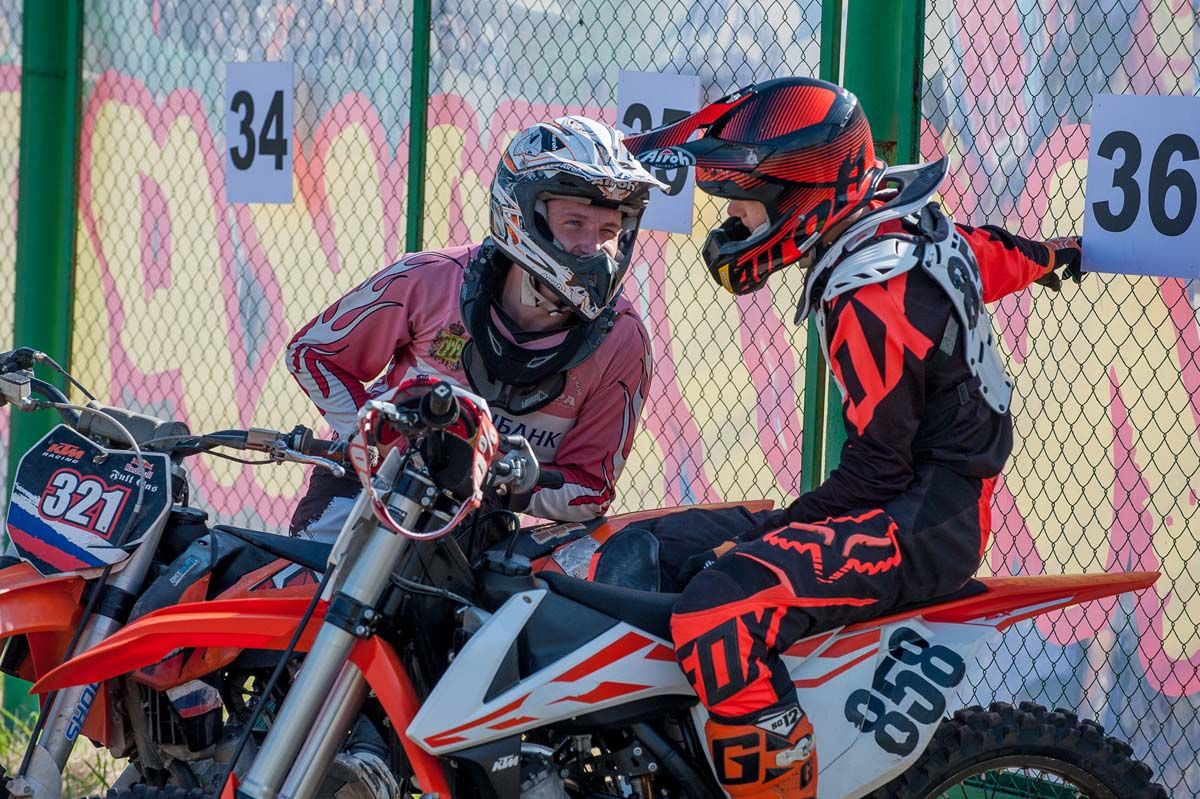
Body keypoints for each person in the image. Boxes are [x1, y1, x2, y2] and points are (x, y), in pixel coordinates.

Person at [625, 77, 1084, 799]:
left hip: (921, 522)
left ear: (803, 193)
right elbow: (989, 254)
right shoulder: (903, 231)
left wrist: (769, 533)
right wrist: (1053, 255)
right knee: (665, 542)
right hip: (920, 503)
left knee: (716, 611)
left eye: (743, 200)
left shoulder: (871, 289)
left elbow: (877, 469)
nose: (731, 217)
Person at [286, 116, 663, 543]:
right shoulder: (431, 278)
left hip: (480, 512)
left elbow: (590, 491)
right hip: (368, 486)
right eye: (574, 223)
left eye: (609, 230)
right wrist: (376, 439)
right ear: (522, 214)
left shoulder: (622, 340)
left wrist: (496, 473)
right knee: (308, 582)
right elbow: (311, 353)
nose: (593, 247)